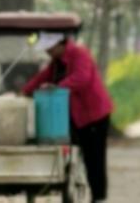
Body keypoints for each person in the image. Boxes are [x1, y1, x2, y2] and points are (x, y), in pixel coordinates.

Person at [21, 31, 114, 201]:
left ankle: (99, 197)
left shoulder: (79, 53)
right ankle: (71, 188)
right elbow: (42, 78)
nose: (47, 52)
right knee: (76, 154)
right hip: (77, 116)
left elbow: (82, 77)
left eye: (49, 48)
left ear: (60, 44)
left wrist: (57, 87)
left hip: (94, 114)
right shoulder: (56, 62)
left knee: (95, 158)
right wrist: (24, 91)